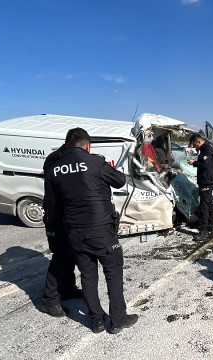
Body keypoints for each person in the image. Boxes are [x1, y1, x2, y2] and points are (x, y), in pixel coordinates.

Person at [44, 127, 138, 334]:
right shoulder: (95, 161)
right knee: (113, 273)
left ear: (67, 145)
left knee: (88, 276)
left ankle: (96, 320)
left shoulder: (54, 169)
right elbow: (120, 181)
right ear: (87, 145)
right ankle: (118, 321)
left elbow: (51, 204)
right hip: (102, 230)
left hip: (75, 232)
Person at [41, 131, 83, 318]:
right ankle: (50, 301)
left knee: (70, 255)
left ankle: (68, 289)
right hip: (56, 217)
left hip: (69, 216)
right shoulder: (56, 160)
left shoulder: (64, 157)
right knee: (60, 258)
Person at [187, 134, 213, 242]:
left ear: (199, 142)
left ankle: (203, 230)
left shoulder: (207, 150)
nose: (194, 146)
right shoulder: (204, 149)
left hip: (207, 181)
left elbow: (205, 164)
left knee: (204, 205)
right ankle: (211, 226)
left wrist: (193, 162)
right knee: (208, 202)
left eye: (194, 144)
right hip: (207, 180)